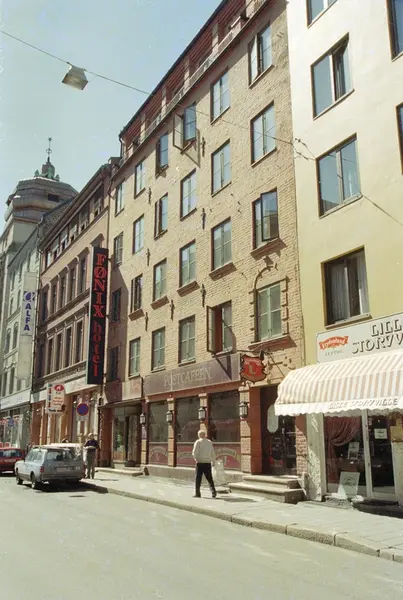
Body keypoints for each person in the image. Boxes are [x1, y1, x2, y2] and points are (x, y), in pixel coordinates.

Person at [192, 430, 217, 499]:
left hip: (200, 462)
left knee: (198, 478)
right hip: (207, 462)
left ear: (199, 435)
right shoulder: (209, 442)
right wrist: (213, 461)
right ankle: (213, 491)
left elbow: (194, 452)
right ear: (205, 435)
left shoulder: (198, 442)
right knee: (209, 478)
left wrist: (196, 459)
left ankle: (197, 493)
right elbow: (213, 452)